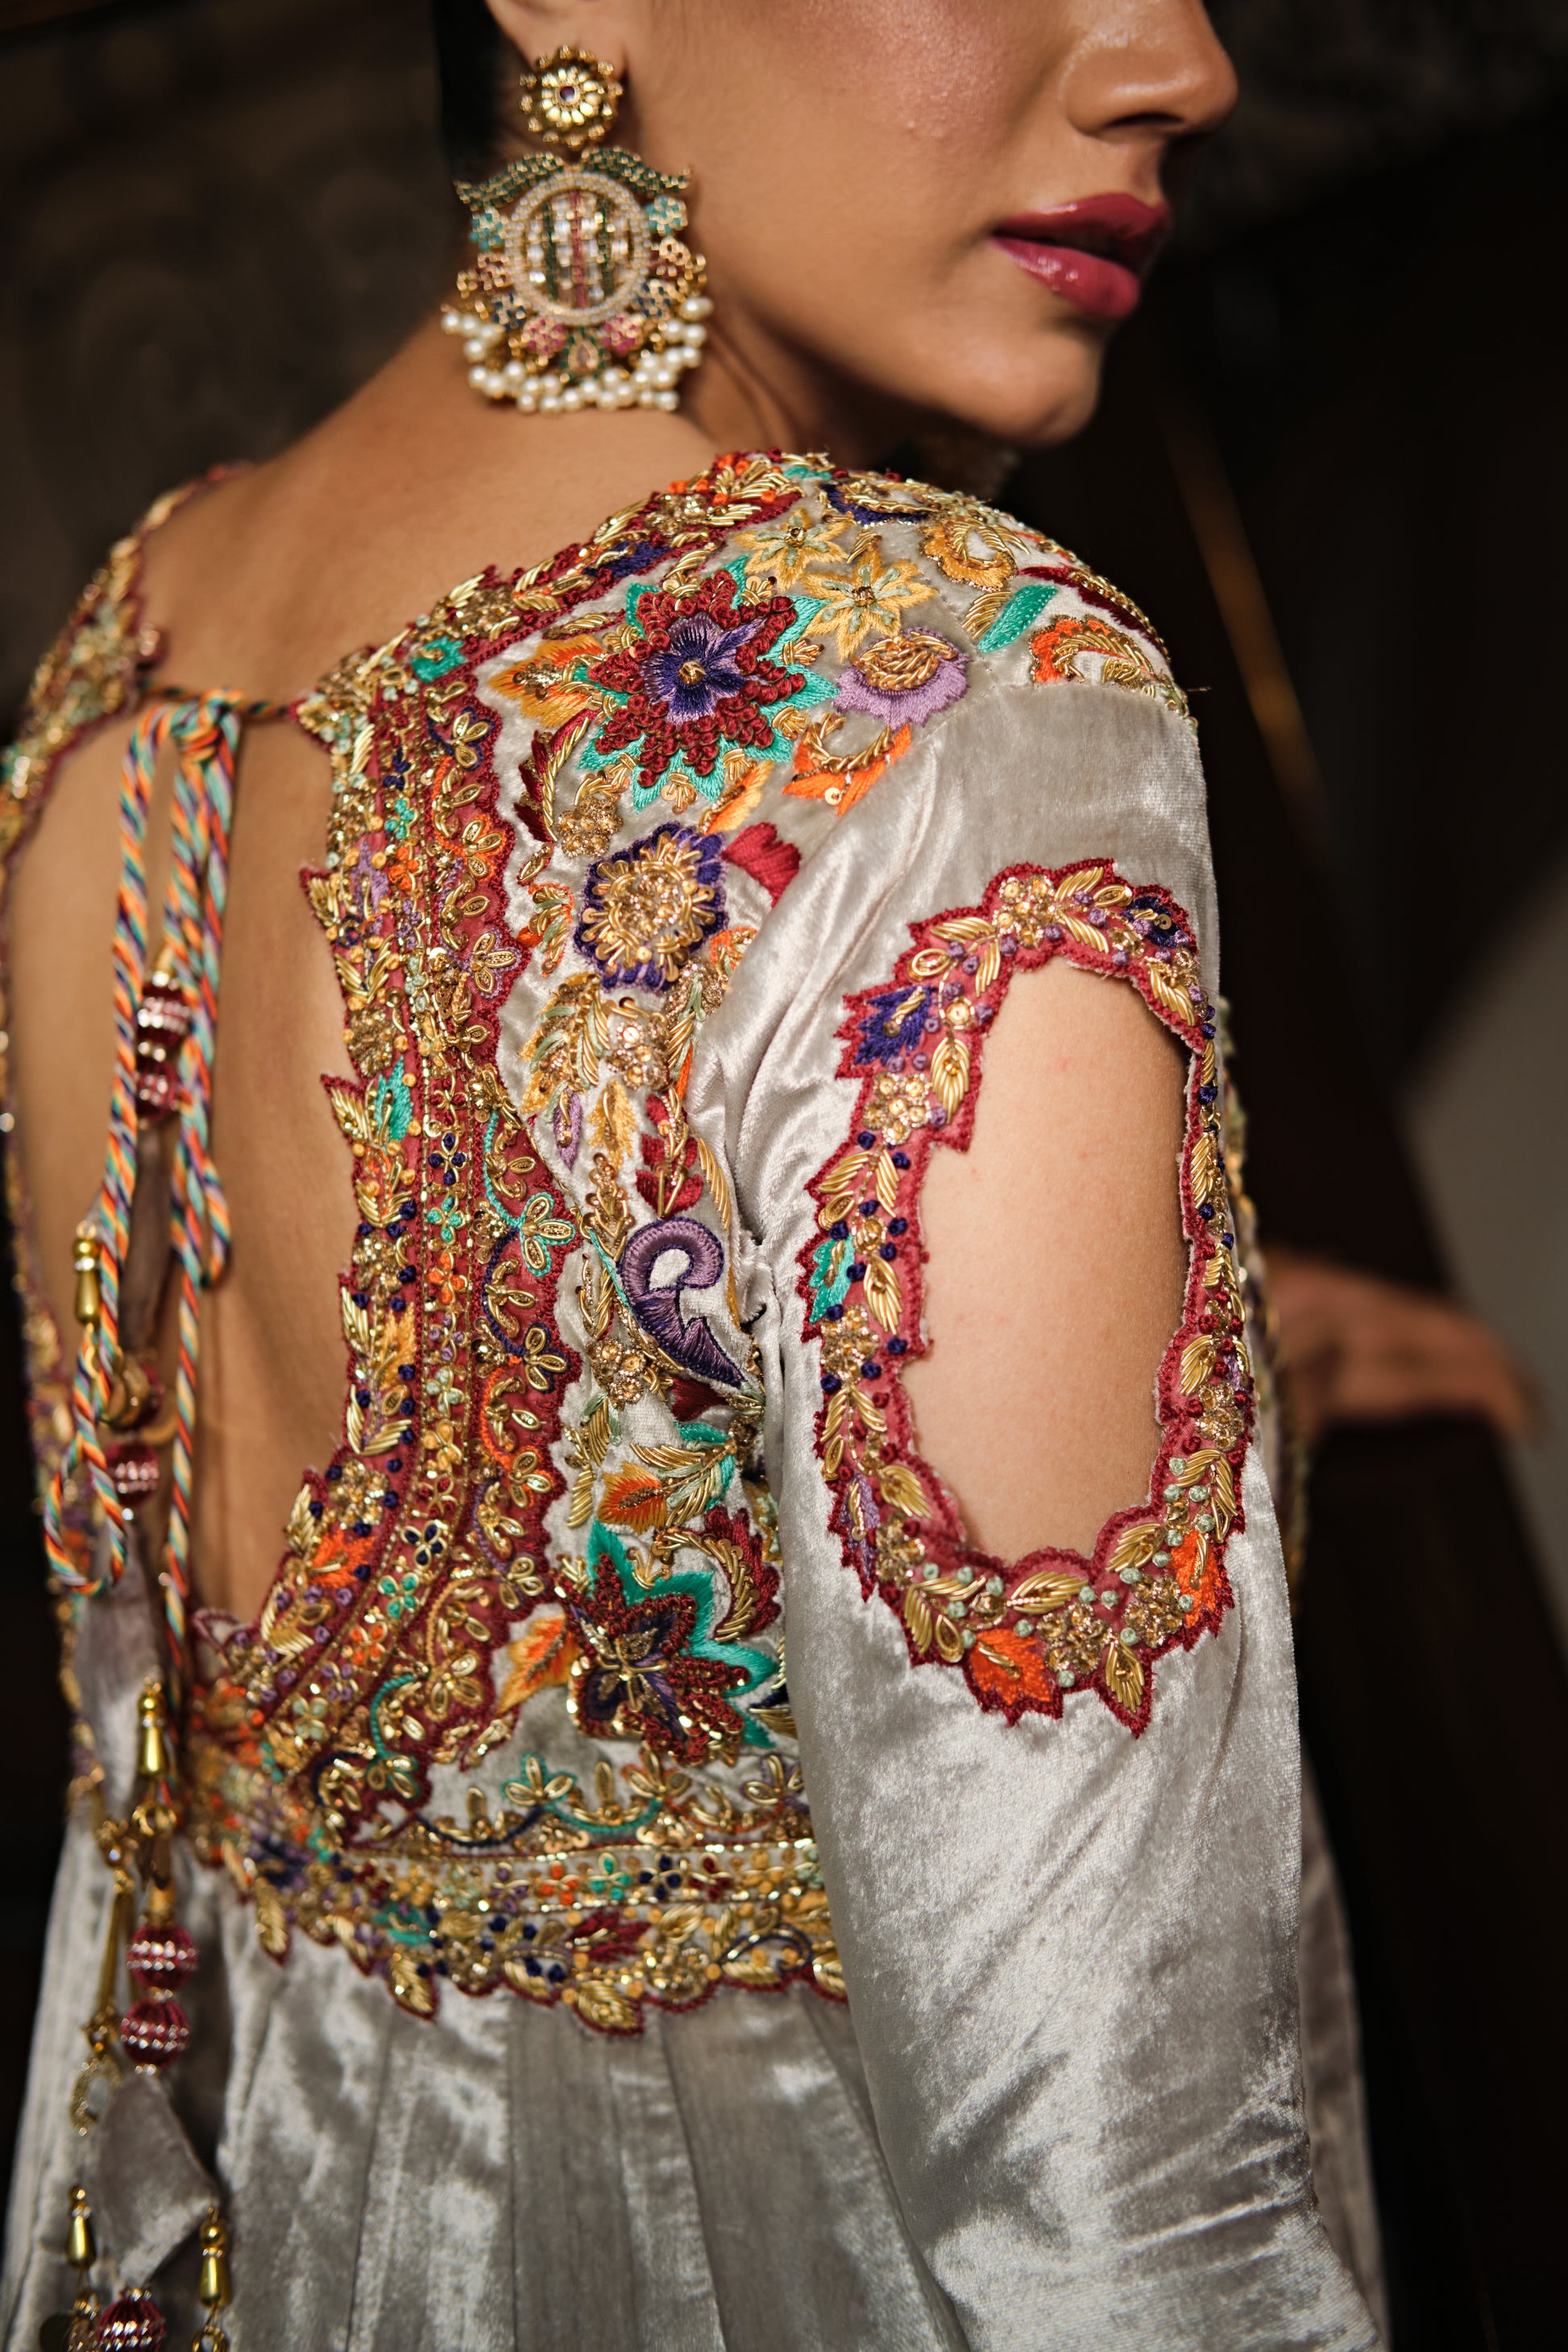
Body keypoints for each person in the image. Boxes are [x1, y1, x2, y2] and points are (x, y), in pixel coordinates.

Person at [0, 2, 1394, 2343]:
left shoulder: (122, 654)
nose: (1180, 61)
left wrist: (1216, 1364)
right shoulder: (948, 694)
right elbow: (1128, 2190)